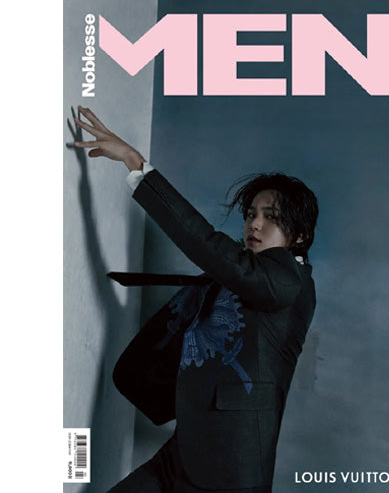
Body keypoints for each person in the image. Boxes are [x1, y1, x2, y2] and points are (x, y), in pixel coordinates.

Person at [74, 106, 319, 492]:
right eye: (250, 214)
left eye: (271, 217)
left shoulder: (290, 280)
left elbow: (209, 248)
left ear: (300, 237)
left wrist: (136, 164)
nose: (254, 224)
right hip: (184, 451)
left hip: (230, 473)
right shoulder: (241, 276)